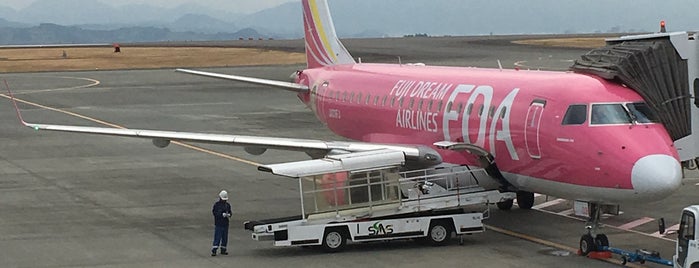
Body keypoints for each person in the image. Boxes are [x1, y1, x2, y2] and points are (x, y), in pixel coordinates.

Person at [211, 190, 232, 256]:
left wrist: (229, 215)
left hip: (225, 224)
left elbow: (230, 212)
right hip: (219, 224)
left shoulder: (227, 205)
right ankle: (214, 250)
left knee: (225, 237)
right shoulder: (217, 205)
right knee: (217, 237)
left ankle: (223, 249)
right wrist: (221, 215)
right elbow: (215, 213)